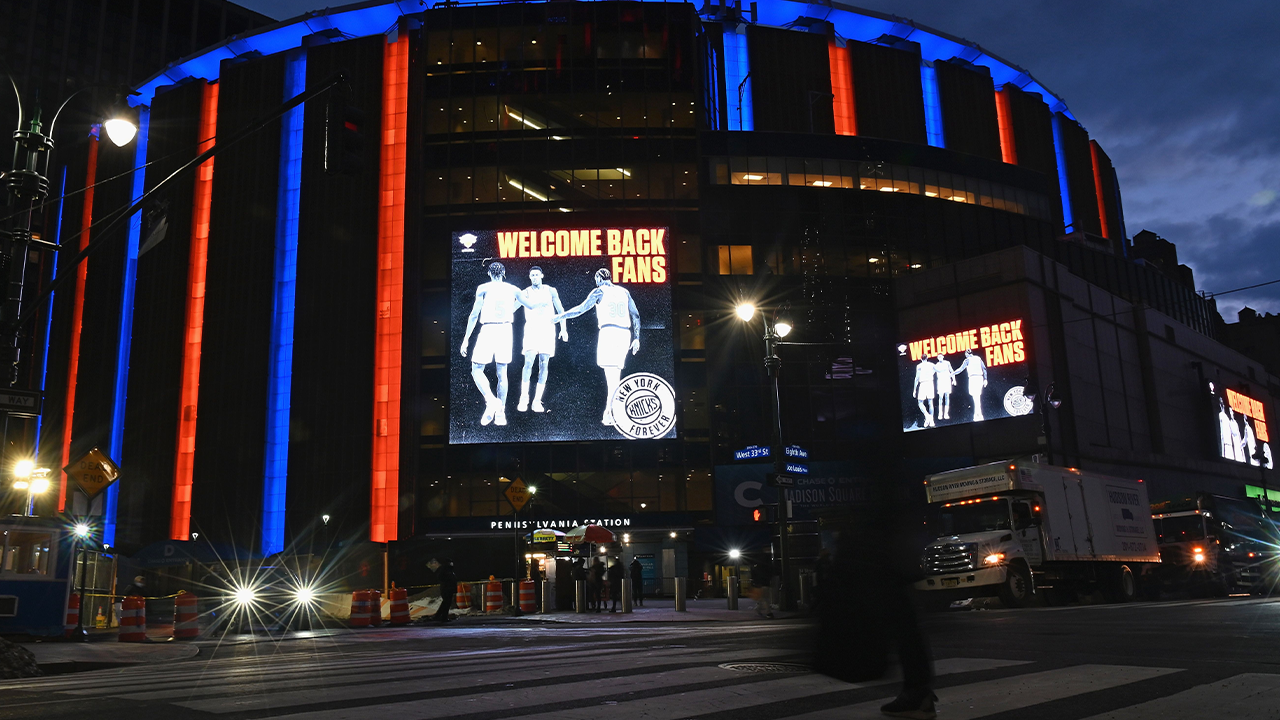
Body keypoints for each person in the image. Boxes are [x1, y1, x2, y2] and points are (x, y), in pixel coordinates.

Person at [460, 261, 546, 427]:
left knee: (476, 369)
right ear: (504, 273)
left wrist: (466, 339)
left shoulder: (483, 288)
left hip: (488, 329)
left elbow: (473, 315)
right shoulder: (513, 289)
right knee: (502, 373)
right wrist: (541, 303)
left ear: (489, 274)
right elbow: (530, 305)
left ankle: (491, 401)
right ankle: (500, 412)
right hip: (506, 330)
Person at [552, 268, 641, 427]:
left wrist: (560, 316)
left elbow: (580, 309)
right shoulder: (624, 292)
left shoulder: (599, 291)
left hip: (609, 332)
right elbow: (636, 315)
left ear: (599, 278)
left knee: (612, 377)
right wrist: (637, 338)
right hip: (625, 334)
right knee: (615, 375)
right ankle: (609, 412)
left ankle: (611, 412)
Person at [517, 266, 568, 413]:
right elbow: (513, 307)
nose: (534, 277)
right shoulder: (525, 292)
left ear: (542, 275)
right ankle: (524, 396)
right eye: (532, 275)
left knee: (544, 364)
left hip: (547, 329)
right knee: (528, 362)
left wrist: (564, 329)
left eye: (536, 275)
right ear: (529, 277)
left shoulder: (551, 290)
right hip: (532, 329)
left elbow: (561, 310)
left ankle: (537, 400)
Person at [954, 348, 988, 422]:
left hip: (973, 378)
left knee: (976, 397)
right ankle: (978, 414)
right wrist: (985, 379)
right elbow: (984, 369)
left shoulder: (967, 360)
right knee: (977, 397)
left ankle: (978, 415)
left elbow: (960, 369)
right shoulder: (978, 358)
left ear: (967, 354)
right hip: (980, 378)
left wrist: (953, 373)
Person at [912, 357, 936, 428]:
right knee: (930, 402)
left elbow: (916, 378)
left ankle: (928, 417)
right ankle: (929, 418)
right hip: (929, 384)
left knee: (920, 402)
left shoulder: (919, 366)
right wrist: (931, 374)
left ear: (921, 359)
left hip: (924, 384)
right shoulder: (931, 364)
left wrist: (914, 390)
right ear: (927, 358)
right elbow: (936, 369)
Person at [432, 558, 458, 623]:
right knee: (446, 603)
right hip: (446, 589)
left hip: (449, 588)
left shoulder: (449, 570)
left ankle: (438, 616)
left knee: (445, 603)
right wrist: (447, 583)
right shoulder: (445, 570)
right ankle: (443, 617)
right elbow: (441, 577)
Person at [933, 353, 954, 421]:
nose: (940, 357)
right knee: (941, 397)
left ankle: (946, 413)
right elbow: (932, 372)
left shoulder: (947, 363)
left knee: (947, 396)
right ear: (937, 358)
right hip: (940, 382)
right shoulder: (936, 365)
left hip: (947, 381)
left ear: (943, 357)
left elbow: (951, 370)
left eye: (941, 356)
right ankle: (940, 413)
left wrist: (954, 379)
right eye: (938, 357)